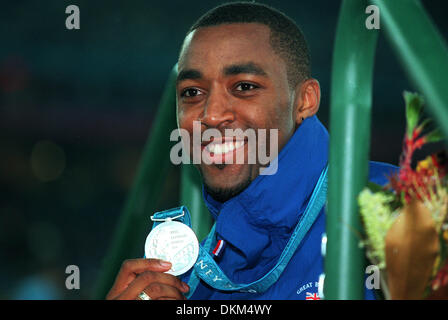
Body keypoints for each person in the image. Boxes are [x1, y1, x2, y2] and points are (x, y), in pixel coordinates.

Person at [106, 2, 397, 300]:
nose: (212, 114)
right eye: (192, 92)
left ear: (305, 101)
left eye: (244, 86)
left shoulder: (397, 207)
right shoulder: (186, 281)